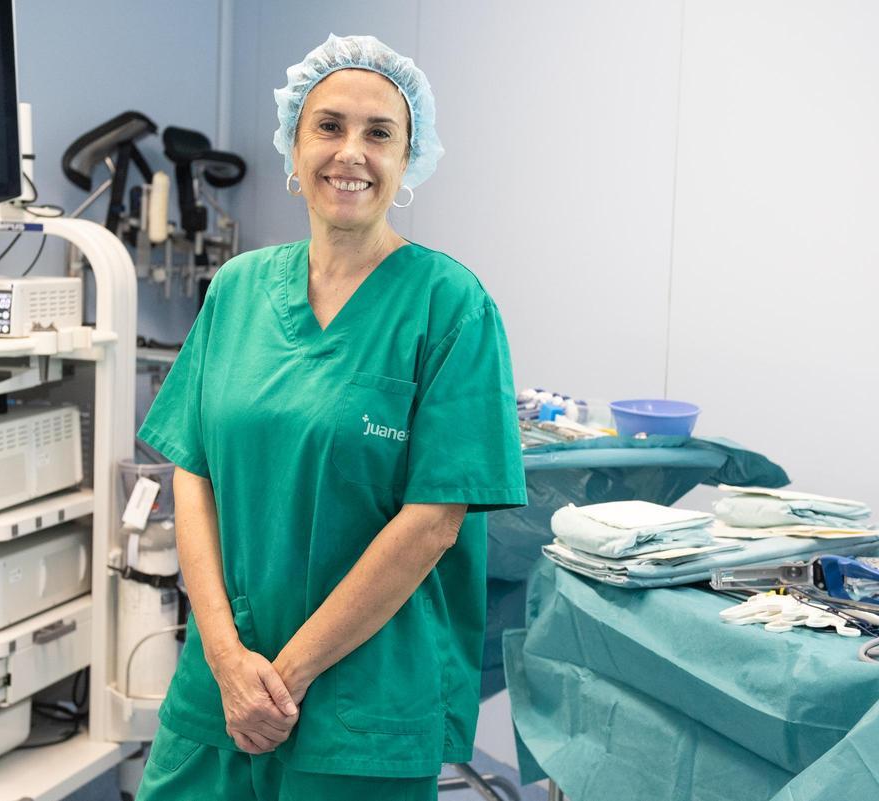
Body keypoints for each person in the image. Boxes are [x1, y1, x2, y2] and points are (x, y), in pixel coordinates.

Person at [135, 33, 526, 801]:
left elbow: (432, 523)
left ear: (409, 159)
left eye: (380, 133)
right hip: (218, 692)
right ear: (292, 147)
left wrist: (282, 680)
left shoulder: (450, 307)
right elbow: (193, 470)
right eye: (329, 125)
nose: (352, 151)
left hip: (360, 708)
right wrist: (222, 656)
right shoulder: (238, 290)